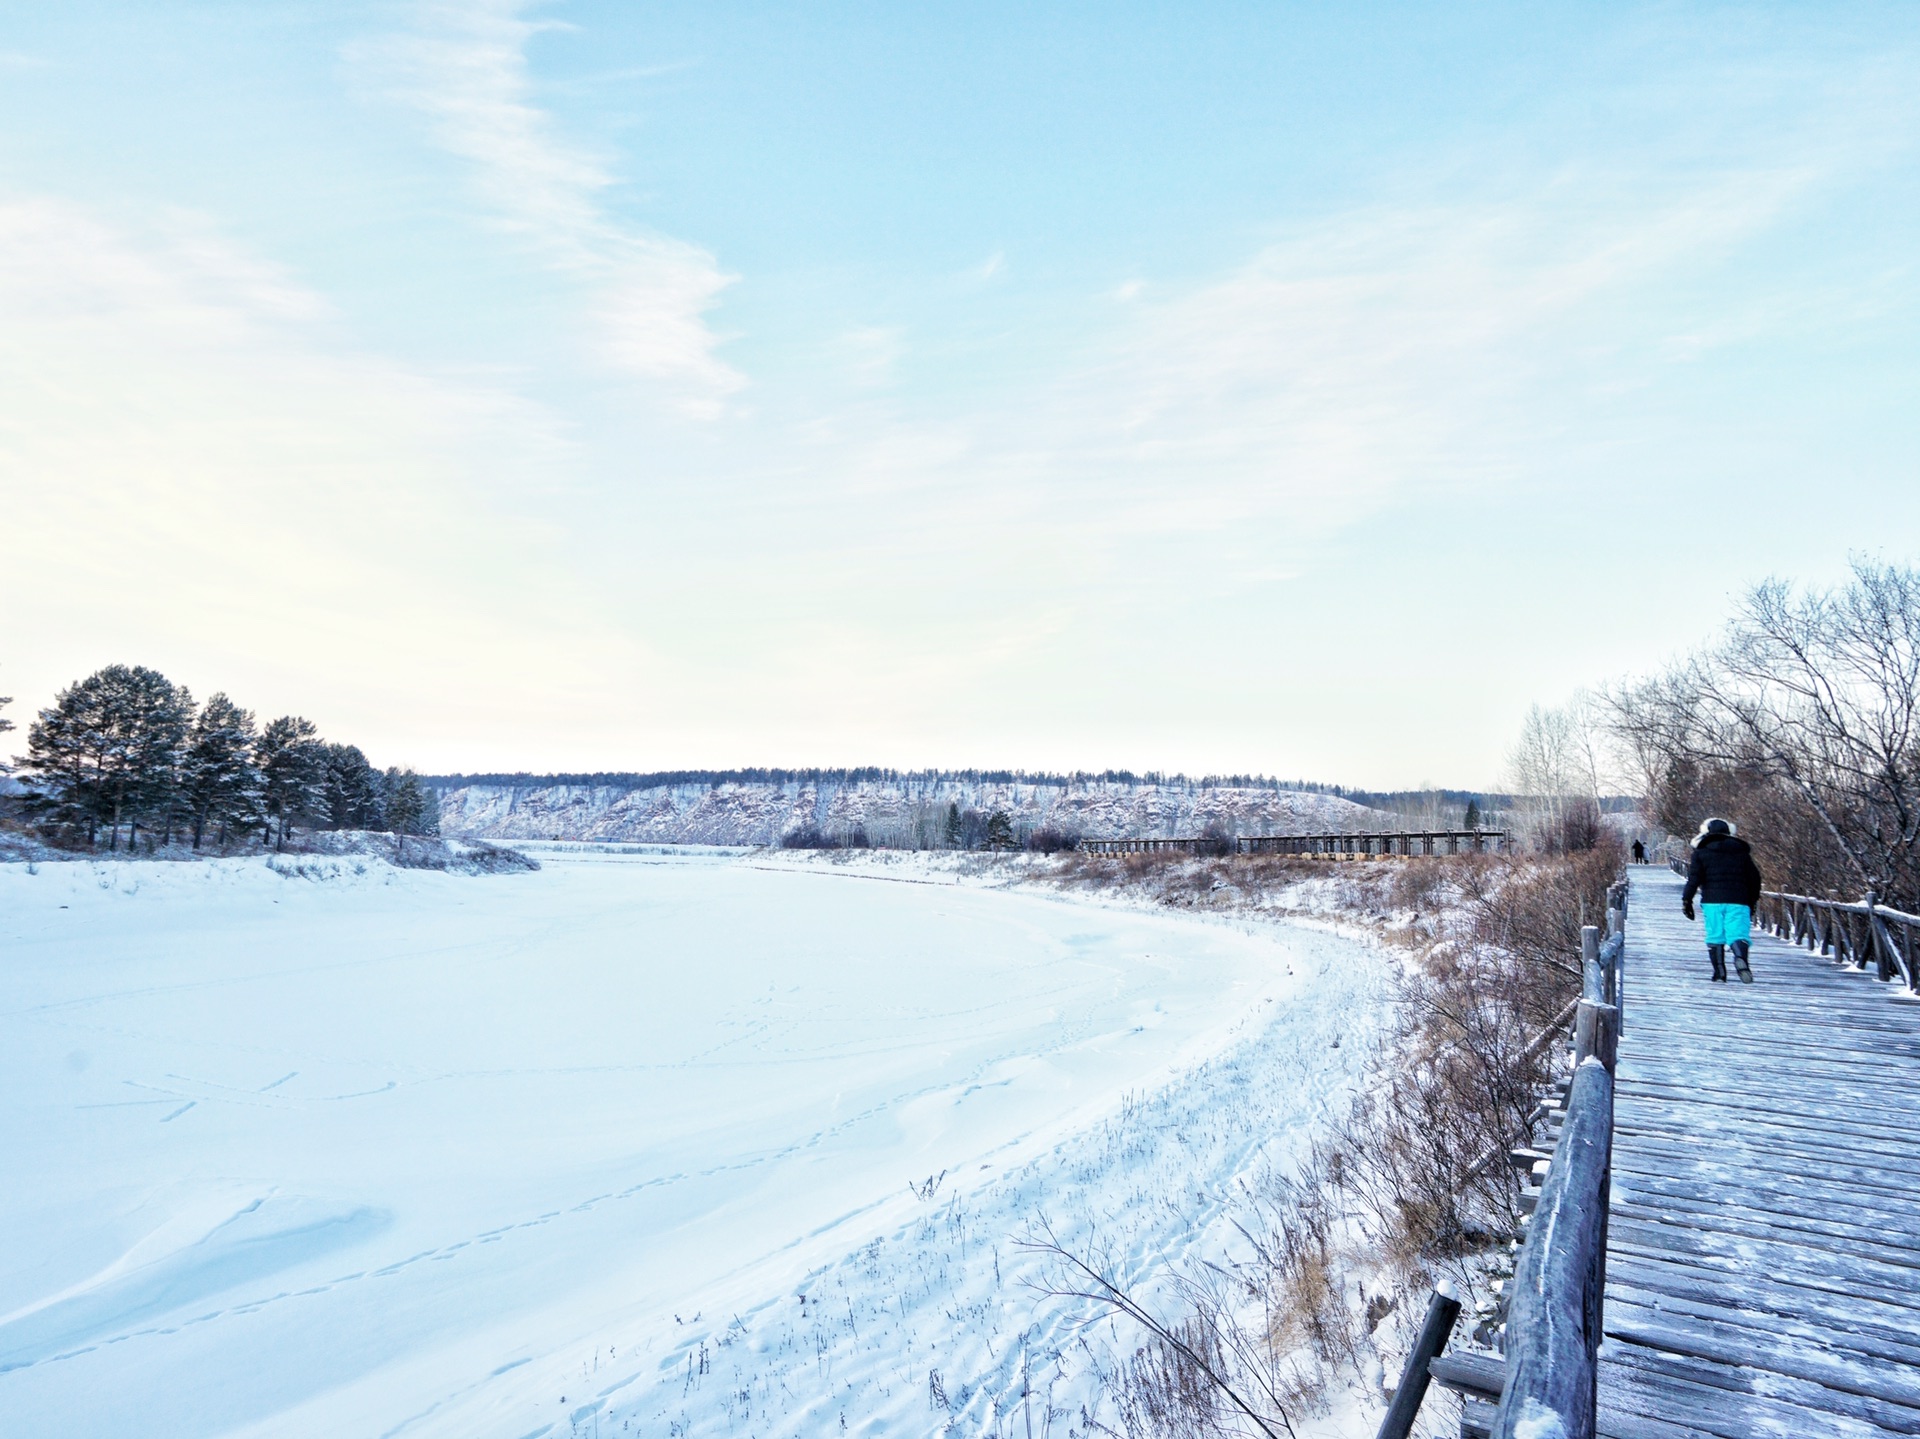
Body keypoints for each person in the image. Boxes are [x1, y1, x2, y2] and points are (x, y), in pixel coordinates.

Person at [1681, 818, 1762, 982]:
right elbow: (1755, 879)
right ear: (1729, 832)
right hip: (1739, 900)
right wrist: (1752, 901)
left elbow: (1694, 879)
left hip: (1712, 900)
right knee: (1738, 934)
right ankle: (1741, 958)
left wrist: (1686, 901)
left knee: (1715, 935)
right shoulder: (1742, 853)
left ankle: (1719, 972)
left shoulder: (1701, 853)